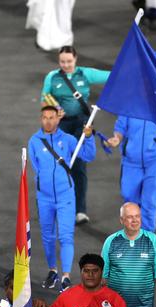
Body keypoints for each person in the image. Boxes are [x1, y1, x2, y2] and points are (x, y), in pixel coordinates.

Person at [28, 105, 96, 292]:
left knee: (66, 236)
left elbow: (89, 156)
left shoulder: (69, 140)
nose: (48, 121)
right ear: (41, 119)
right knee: (48, 237)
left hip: (66, 196)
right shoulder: (34, 141)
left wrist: (89, 138)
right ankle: (52, 271)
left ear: (58, 119)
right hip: (44, 198)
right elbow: (36, 167)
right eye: (45, 117)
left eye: (52, 117)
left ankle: (65, 276)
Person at [40, 46, 110, 224]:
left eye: (69, 61)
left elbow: (111, 77)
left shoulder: (85, 74)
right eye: (62, 61)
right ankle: (59, 207)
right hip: (60, 125)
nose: (66, 65)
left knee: (78, 166)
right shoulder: (52, 77)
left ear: (76, 59)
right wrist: (54, 110)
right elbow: (44, 99)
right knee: (59, 166)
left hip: (81, 123)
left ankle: (80, 210)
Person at [106, 117, 156, 232]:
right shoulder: (130, 105)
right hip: (130, 163)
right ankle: (133, 241)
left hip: (154, 163)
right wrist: (117, 138)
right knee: (130, 204)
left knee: (149, 204)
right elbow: (120, 127)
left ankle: (147, 243)